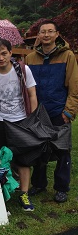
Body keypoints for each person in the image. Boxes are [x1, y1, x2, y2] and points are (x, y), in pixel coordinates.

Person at [0, 39, 38, 211]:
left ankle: (24, 194)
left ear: (11, 53)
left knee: (24, 160)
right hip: (1, 122)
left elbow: (32, 94)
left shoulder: (23, 70)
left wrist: (32, 118)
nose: (1, 57)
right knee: (2, 159)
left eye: (4, 53)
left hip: (21, 121)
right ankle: (3, 194)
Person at [25, 20, 78, 203]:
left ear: (57, 34)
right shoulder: (30, 58)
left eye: (50, 31)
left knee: (62, 150)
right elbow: (26, 87)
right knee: (38, 149)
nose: (46, 35)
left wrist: (69, 111)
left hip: (59, 110)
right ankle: (39, 184)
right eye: (42, 32)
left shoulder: (67, 56)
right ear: (38, 35)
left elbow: (74, 85)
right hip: (37, 112)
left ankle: (61, 187)